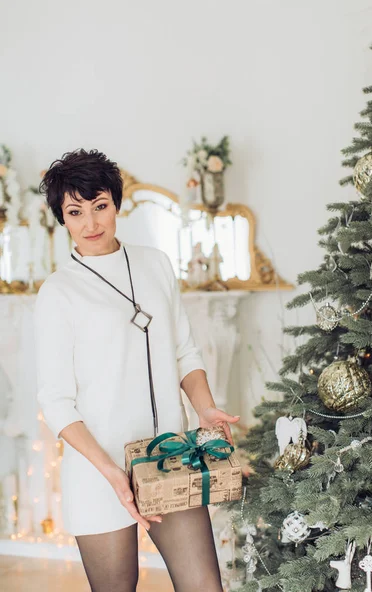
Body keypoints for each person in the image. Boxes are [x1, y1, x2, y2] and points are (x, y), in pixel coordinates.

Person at [33, 148, 240, 592]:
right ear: (62, 218)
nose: (91, 223)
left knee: (205, 586)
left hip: (170, 457)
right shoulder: (58, 292)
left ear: (116, 205)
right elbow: (55, 399)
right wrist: (111, 473)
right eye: (75, 211)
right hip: (99, 473)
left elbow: (184, 351)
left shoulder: (156, 265)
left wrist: (205, 409)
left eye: (100, 206)